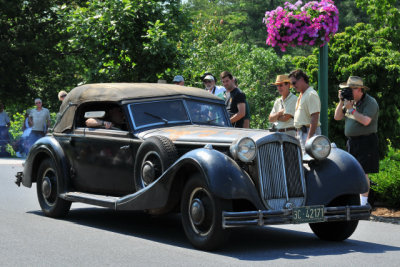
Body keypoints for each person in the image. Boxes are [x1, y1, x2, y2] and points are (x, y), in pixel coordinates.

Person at [334, 76, 379, 206]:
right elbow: (337, 117)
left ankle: (363, 204)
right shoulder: (349, 102)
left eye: (350, 89)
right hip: (352, 142)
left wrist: (351, 110)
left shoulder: (370, 102)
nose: (347, 92)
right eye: (346, 89)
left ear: (359, 89)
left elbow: (366, 121)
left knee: (363, 172)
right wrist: (341, 101)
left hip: (366, 140)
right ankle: (354, 202)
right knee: (352, 172)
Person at [288, 69, 321, 153]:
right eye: (292, 84)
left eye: (294, 83)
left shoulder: (311, 94)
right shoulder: (302, 94)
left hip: (308, 133)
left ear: (302, 79)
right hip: (301, 133)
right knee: (301, 161)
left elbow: (315, 117)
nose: (293, 86)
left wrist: (309, 138)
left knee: (309, 161)